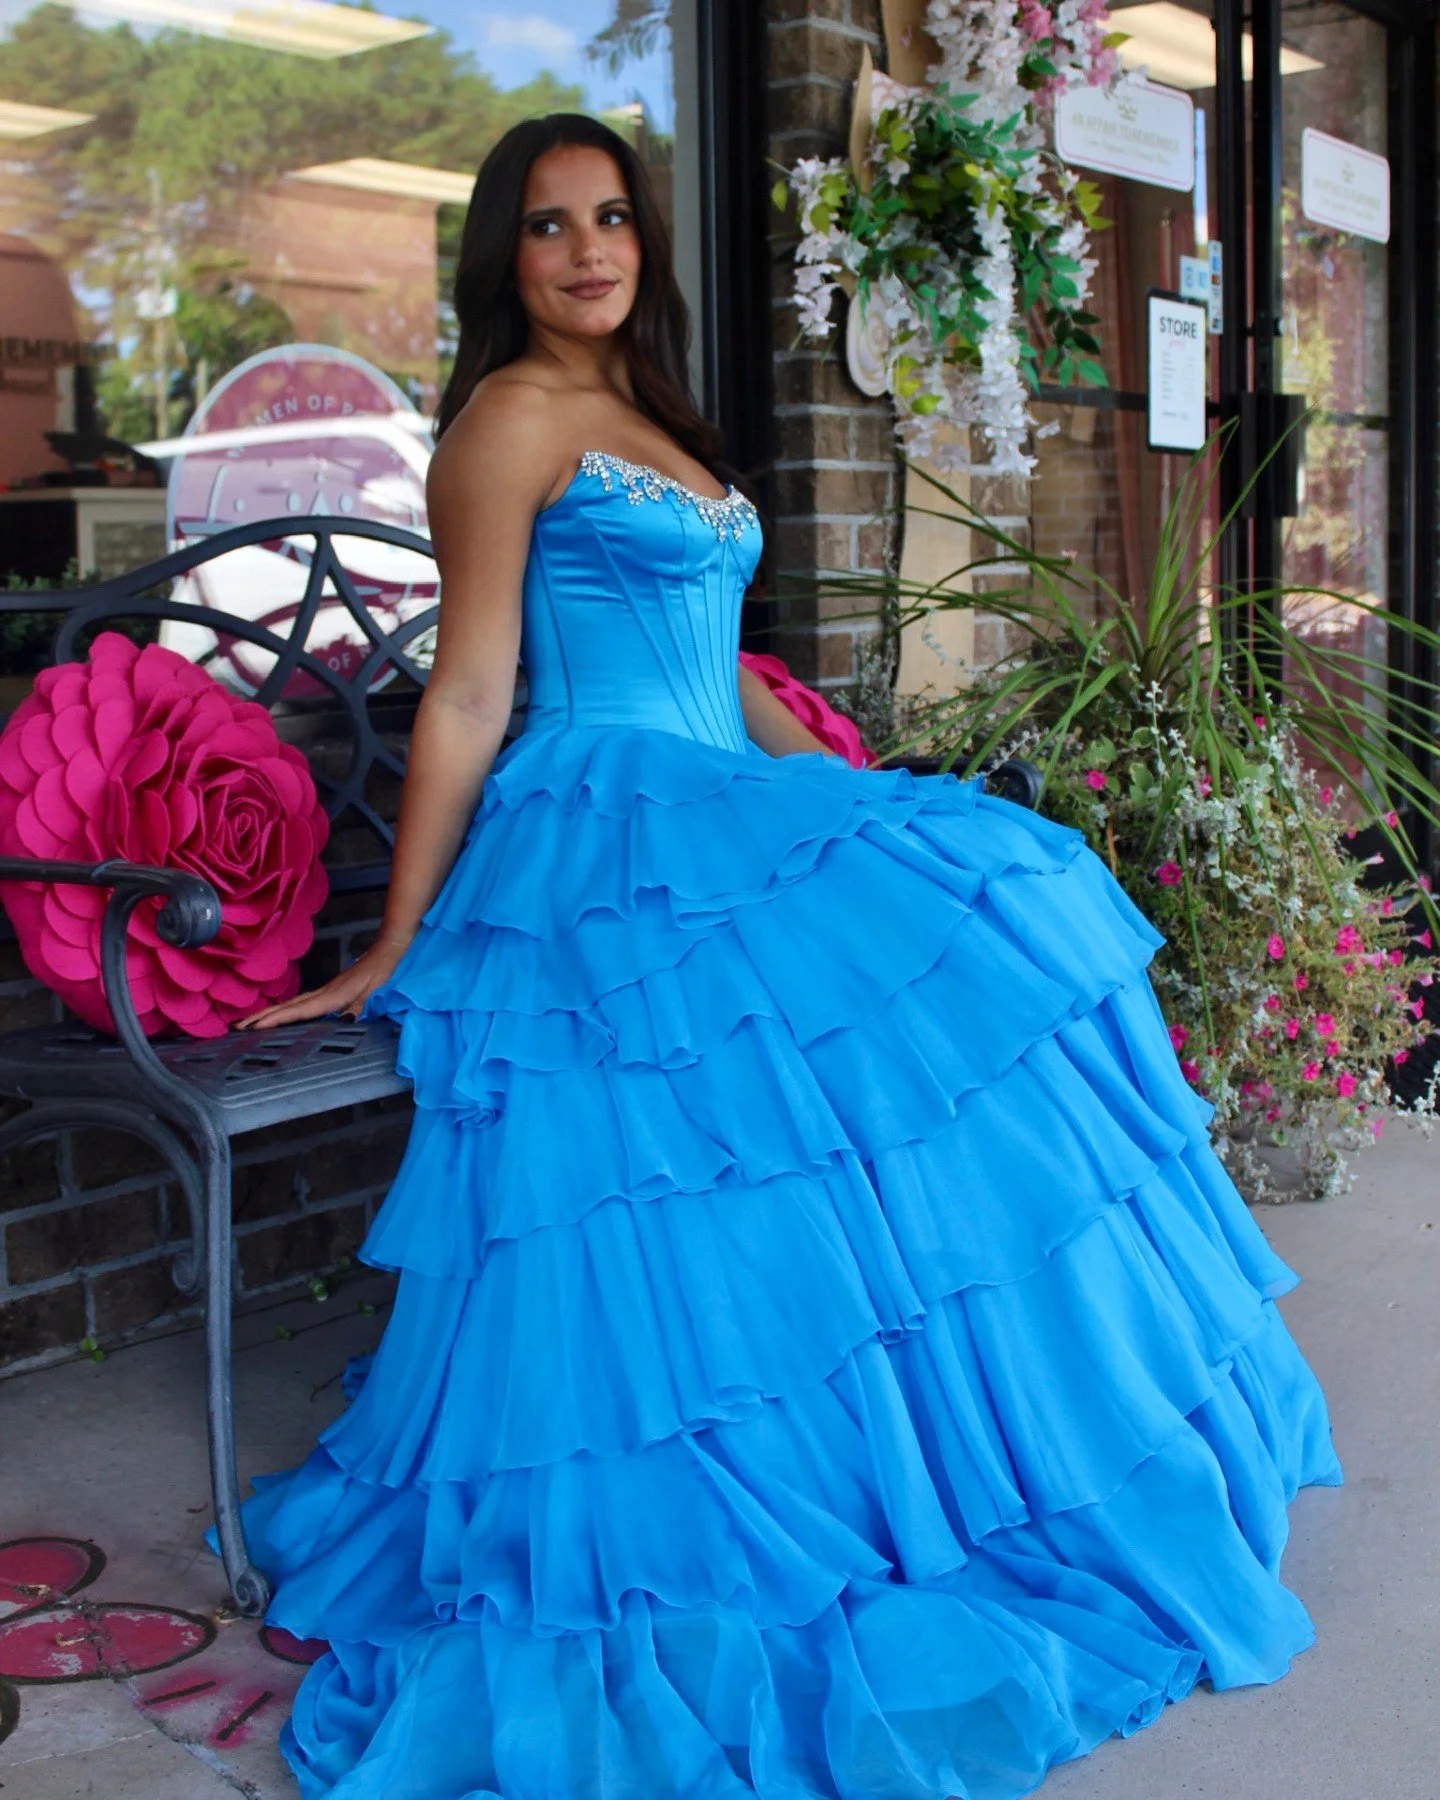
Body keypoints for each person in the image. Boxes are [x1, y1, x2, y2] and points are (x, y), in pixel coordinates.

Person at [233, 113, 1341, 1800]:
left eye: (612, 218)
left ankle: (986, 1432)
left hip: (715, 788)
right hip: (600, 826)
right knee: (692, 1151)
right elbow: (469, 690)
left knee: (995, 916)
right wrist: (394, 939)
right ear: (502, 256)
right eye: (548, 226)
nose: (588, 249)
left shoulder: (654, 418)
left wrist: (846, 796)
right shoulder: (509, 420)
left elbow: (722, 662)